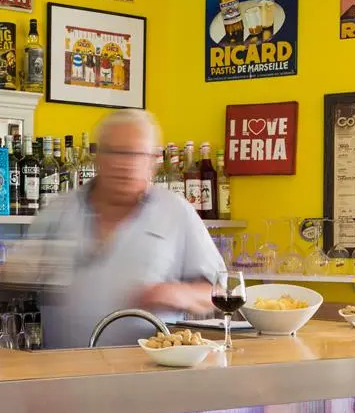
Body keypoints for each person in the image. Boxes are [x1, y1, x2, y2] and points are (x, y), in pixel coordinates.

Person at [14, 110, 224, 349]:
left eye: (135, 154)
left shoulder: (176, 212)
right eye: (114, 152)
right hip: (64, 366)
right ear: (98, 156)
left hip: (147, 367)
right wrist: (18, 272)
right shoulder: (59, 210)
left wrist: (177, 294)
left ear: (153, 160)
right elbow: (19, 276)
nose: (123, 164)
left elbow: (218, 292)